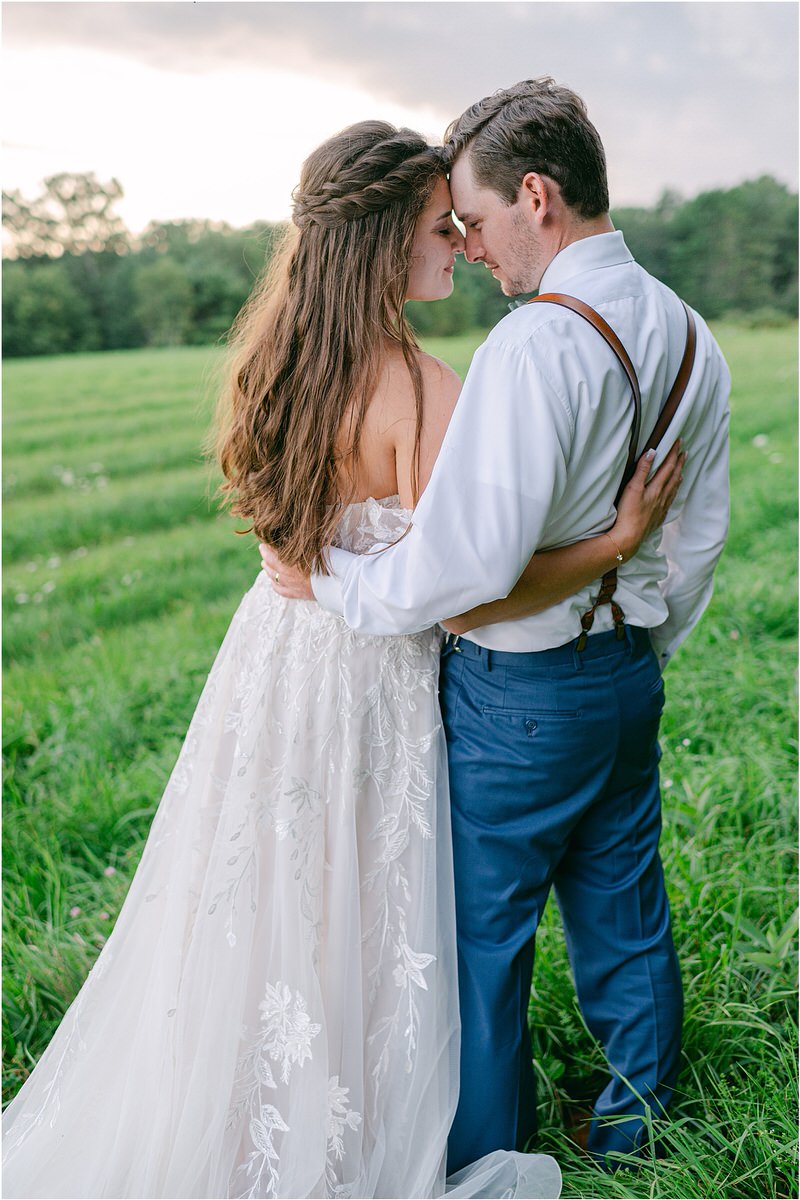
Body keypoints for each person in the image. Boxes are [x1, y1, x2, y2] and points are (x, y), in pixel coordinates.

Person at [3, 120, 679, 1200]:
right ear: (375, 245)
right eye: (433, 227)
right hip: (372, 678)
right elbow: (470, 589)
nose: (456, 244)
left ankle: (238, 1090)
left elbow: (286, 546)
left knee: (265, 885)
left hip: (272, 658)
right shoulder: (424, 388)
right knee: (371, 893)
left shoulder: (275, 358)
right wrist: (609, 547)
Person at [262, 81, 731, 1173]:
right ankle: (637, 1129)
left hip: (516, 693)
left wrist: (335, 588)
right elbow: (697, 535)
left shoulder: (530, 351)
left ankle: (483, 1154)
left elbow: (460, 574)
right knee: (624, 908)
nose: (470, 249)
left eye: (471, 220)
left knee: (479, 941)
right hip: (623, 672)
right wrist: (636, 639)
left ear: (536, 195)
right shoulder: (686, 329)